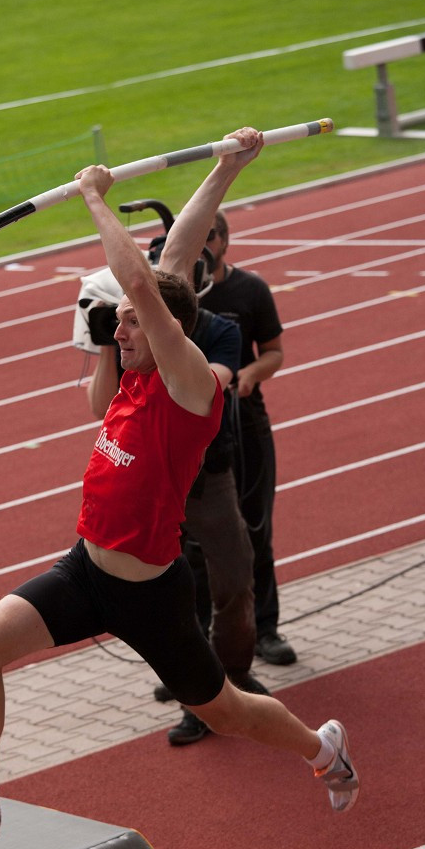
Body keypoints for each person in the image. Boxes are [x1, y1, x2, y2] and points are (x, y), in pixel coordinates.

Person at [0, 129, 359, 849]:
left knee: (227, 714)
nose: (114, 330)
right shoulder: (146, 365)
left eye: (125, 321)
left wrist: (94, 198)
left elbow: (151, 289)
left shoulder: (186, 388)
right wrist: (226, 168)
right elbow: (172, 259)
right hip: (86, 568)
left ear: (164, 330)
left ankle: (323, 750)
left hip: (150, 593)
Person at [86, 300, 269, 747]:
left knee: (233, 575)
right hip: (158, 485)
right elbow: (101, 406)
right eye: (123, 319)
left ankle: (235, 673)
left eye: (137, 318)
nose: (126, 327)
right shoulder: (137, 344)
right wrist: (106, 347)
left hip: (211, 477)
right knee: (176, 588)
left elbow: (215, 382)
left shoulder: (220, 329)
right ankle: (194, 691)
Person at [163, 202, 297, 665]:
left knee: (254, 531)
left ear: (224, 240)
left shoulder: (250, 290)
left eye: (210, 239)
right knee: (191, 553)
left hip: (245, 424)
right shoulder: (174, 303)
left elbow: (275, 352)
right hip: (193, 442)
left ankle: (265, 631)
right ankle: (199, 651)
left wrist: (251, 374)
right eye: (195, 240)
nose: (203, 249)